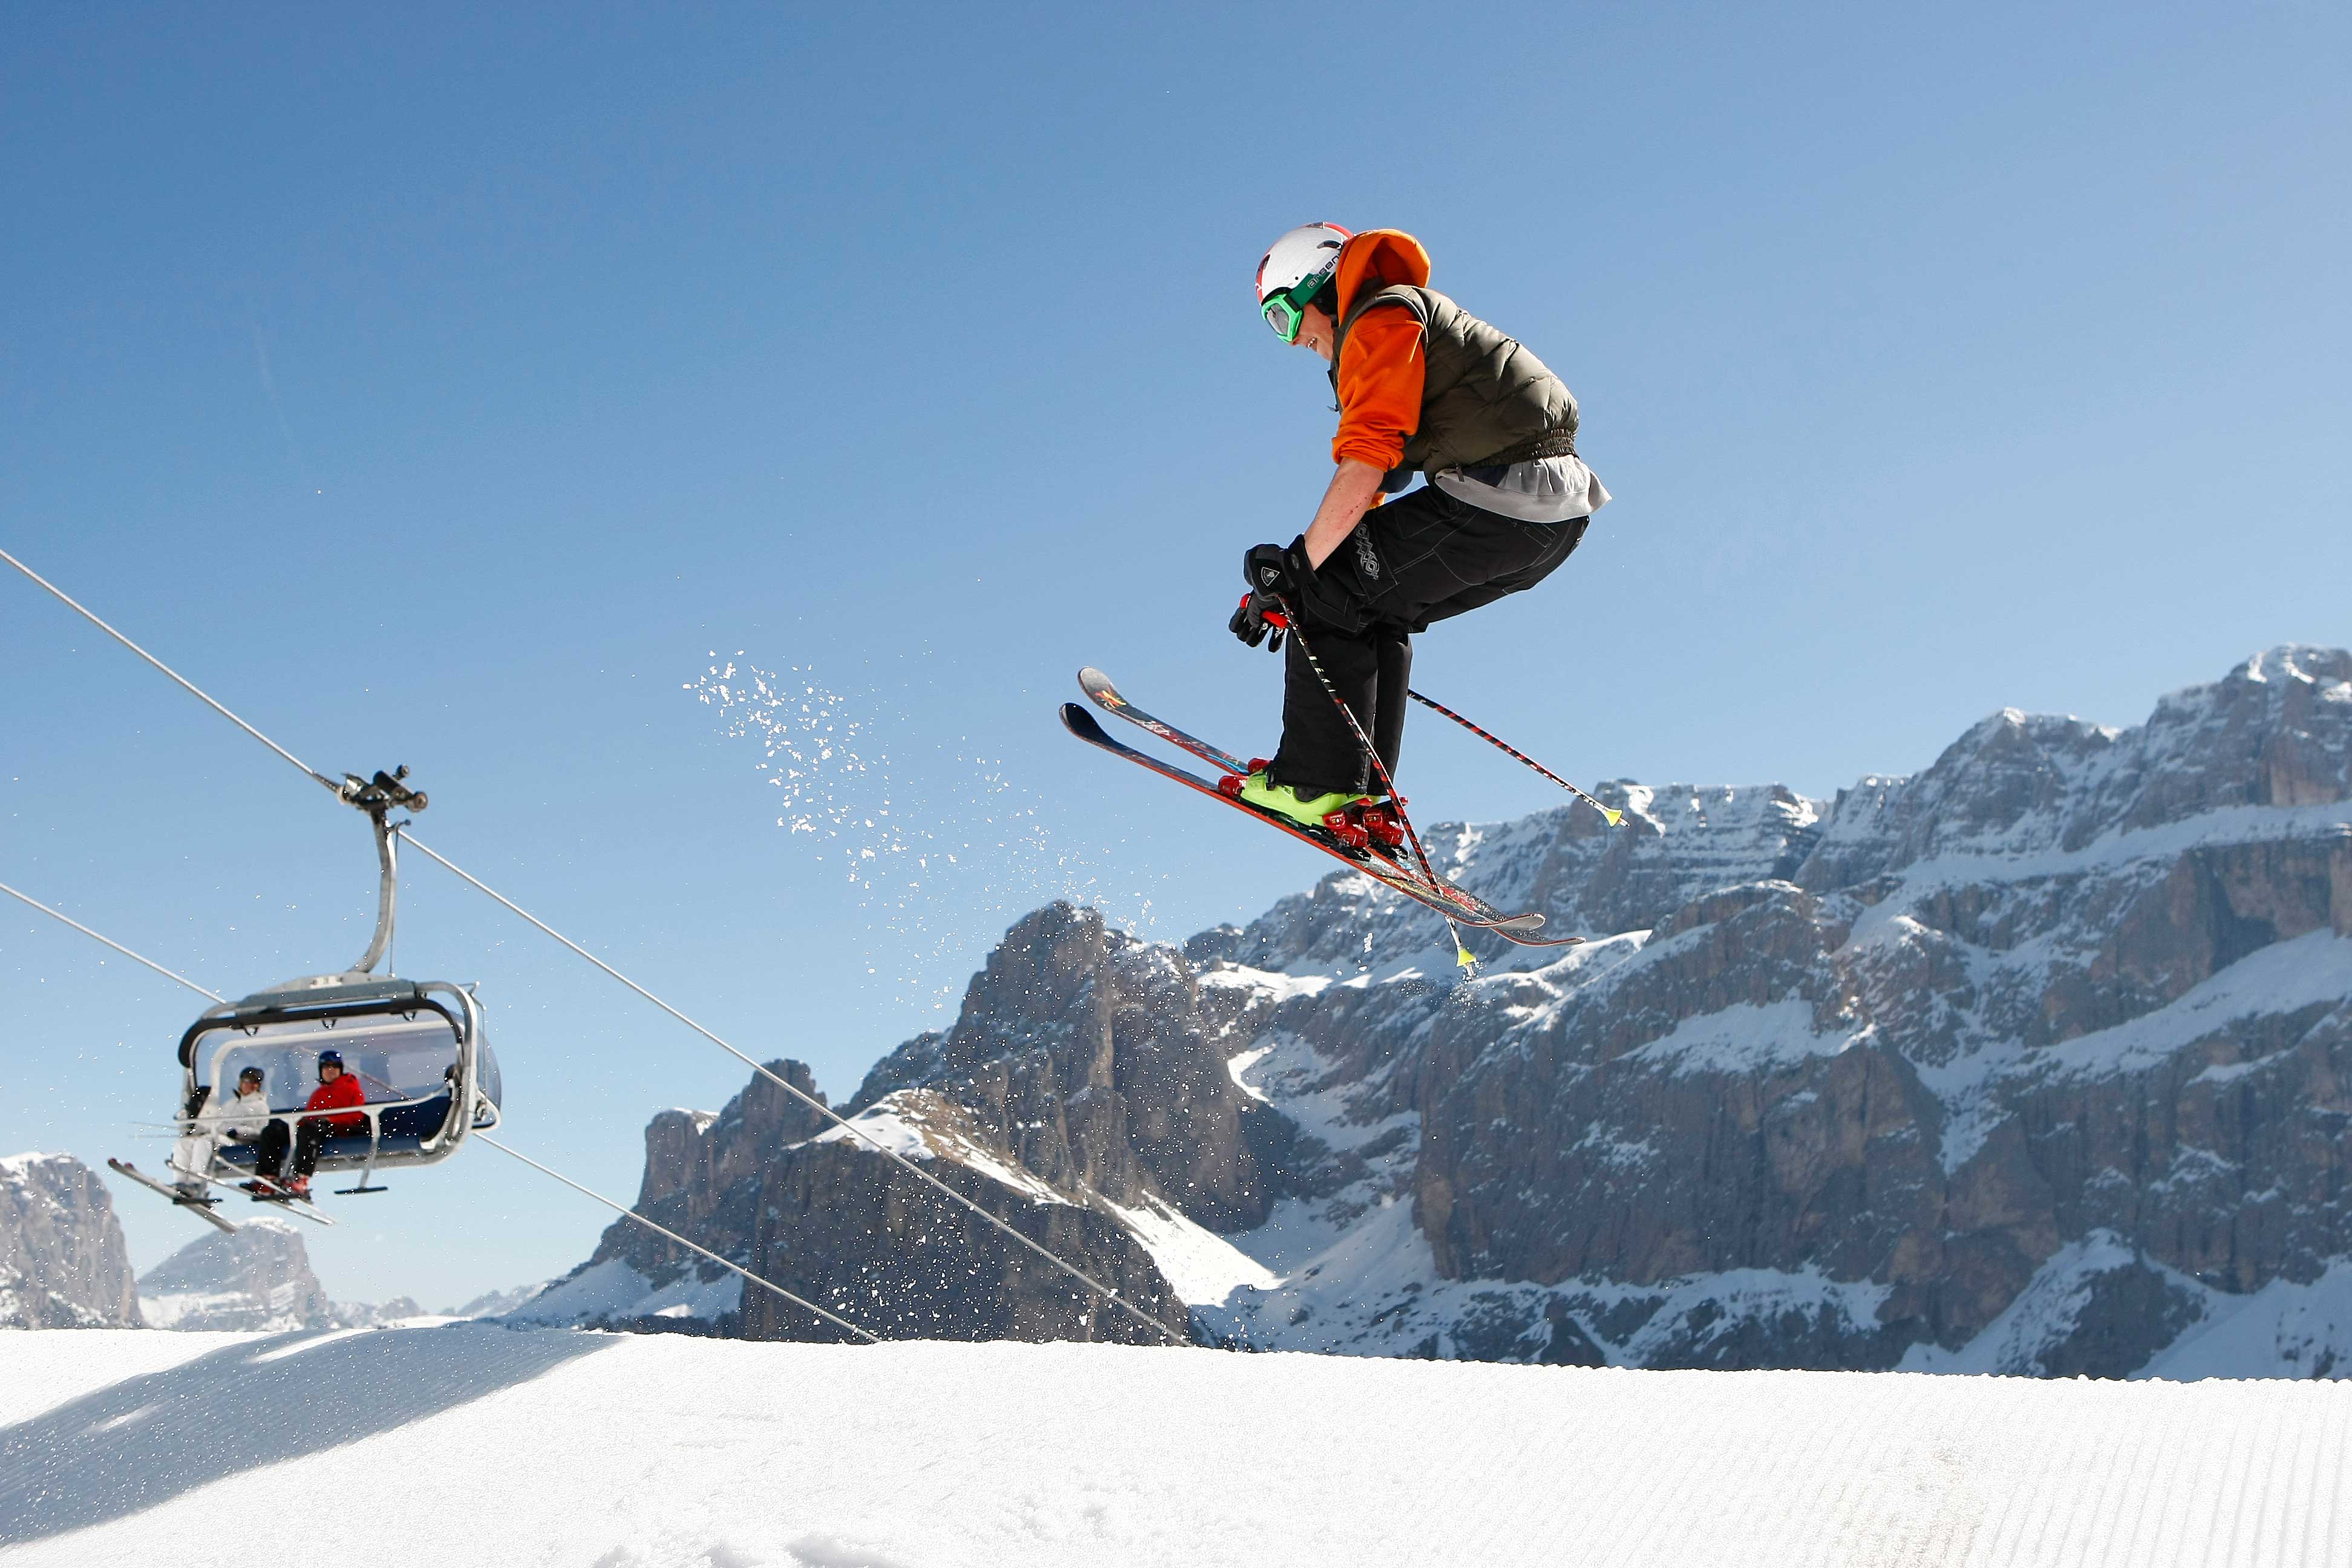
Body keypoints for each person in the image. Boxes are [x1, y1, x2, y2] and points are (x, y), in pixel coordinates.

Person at [1229, 223, 1609, 831]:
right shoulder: (1403, 321)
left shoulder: (1379, 319)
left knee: (1330, 586)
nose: (1293, 341)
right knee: (1370, 603)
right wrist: (1294, 584)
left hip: (1503, 496)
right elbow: (1386, 483)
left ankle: (1314, 786)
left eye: (1282, 317)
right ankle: (1362, 795)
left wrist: (1299, 574)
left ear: (1317, 290)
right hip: (1551, 516)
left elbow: (1368, 460)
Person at [246, 1049, 367, 1199]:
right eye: (326, 1067)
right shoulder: (319, 1093)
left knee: (309, 1129)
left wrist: (331, 1120)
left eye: (334, 1066)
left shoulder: (352, 1089)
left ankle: (301, 1178)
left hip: (337, 1129)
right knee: (273, 1131)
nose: (330, 1070)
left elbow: (356, 1117)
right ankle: (267, 1179)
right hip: (314, 1127)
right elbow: (309, 1116)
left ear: (340, 1069)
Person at [169, 1065, 272, 1197]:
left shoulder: (260, 1106)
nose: (249, 1085)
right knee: (184, 1143)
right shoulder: (231, 1103)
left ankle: (196, 1183)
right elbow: (216, 1122)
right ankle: (181, 1182)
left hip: (239, 1142)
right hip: (219, 1137)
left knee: (205, 1142)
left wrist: (239, 1131)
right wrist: (201, 1129)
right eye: (246, 1081)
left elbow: (262, 1132)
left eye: (253, 1082)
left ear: (257, 1086)